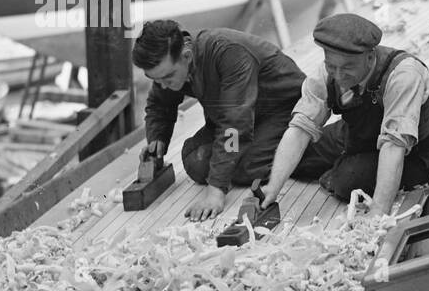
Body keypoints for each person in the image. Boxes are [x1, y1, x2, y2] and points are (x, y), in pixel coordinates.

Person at [134, 20, 322, 221]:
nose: (162, 86)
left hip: (281, 110)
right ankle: (273, 155)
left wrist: (216, 190)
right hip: (239, 114)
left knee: (243, 165)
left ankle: (299, 148)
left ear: (187, 57)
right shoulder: (173, 65)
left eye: (167, 79)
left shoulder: (229, 54)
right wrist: (157, 138)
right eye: (156, 80)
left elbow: (234, 127)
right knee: (194, 160)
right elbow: (160, 105)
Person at [260, 13, 429, 217]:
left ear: (370, 57)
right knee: (295, 156)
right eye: (331, 66)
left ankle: (342, 167)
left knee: (348, 181)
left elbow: (394, 146)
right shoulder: (329, 72)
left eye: (347, 68)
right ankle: (344, 160)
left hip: (412, 153)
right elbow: (300, 129)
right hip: (357, 135)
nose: (338, 76)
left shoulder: (403, 75)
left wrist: (378, 212)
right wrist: (272, 188)